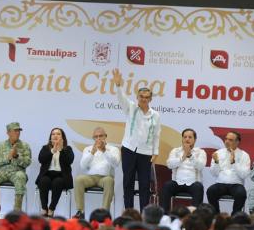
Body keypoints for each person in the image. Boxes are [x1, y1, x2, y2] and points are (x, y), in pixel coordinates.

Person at [111, 68, 160, 210]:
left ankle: (144, 213)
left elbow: (157, 134)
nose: (144, 99)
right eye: (141, 96)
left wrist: (155, 152)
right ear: (137, 97)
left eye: (147, 97)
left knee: (144, 185)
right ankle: (129, 212)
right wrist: (118, 86)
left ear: (150, 99)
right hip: (129, 150)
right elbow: (121, 99)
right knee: (128, 183)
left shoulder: (155, 115)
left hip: (146, 153)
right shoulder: (131, 108)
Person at [73, 126, 120, 219]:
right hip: (90, 178)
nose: (98, 138)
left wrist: (104, 150)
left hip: (105, 177)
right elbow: (83, 166)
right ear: (93, 138)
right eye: (96, 136)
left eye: (101, 136)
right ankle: (80, 212)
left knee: (109, 181)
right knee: (78, 179)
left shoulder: (113, 149)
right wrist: (91, 153)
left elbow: (116, 164)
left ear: (105, 136)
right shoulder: (88, 149)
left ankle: (104, 213)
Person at [160, 128, 206, 212]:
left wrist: (190, 155)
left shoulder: (200, 152)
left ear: (195, 139)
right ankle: (164, 215)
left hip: (193, 183)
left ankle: (195, 216)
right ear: (182, 139)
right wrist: (182, 157)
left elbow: (200, 166)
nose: (187, 139)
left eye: (190, 137)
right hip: (177, 182)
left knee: (198, 187)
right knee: (167, 186)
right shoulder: (175, 151)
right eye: (185, 137)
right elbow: (169, 165)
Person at [206, 130, 251, 214]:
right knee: (211, 191)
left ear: (237, 142)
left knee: (241, 194)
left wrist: (234, 162)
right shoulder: (218, 153)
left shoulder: (244, 155)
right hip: (221, 183)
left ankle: (235, 216)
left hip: (236, 184)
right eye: (226, 139)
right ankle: (216, 215)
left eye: (230, 140)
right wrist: (216, 162)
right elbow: (214, 173)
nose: (227, 141)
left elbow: (244, 175)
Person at [0, 122, 32, 212]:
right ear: (8, 132)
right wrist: (8, 158)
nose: (18, 133)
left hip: (17, 172)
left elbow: (27, 162)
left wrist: (16, 156)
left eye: (19, 131)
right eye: (15, 130)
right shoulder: (0, 145)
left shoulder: (25, 146)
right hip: (2, 173)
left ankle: (17, 211)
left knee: (20, 176)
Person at [35, 127, 74, 217]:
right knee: (44, 181)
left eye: (58, 134)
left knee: (58, 182)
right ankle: (44, 208)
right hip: (47, 174)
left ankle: (51, 208)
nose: (55, 136)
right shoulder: (45, 148)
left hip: (61, 176)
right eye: (53, 134)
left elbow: (69, 161)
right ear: (50, 137)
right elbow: (41, 159)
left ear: (62, 137)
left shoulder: (67, 149)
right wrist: (52, 151)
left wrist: (60, 150)